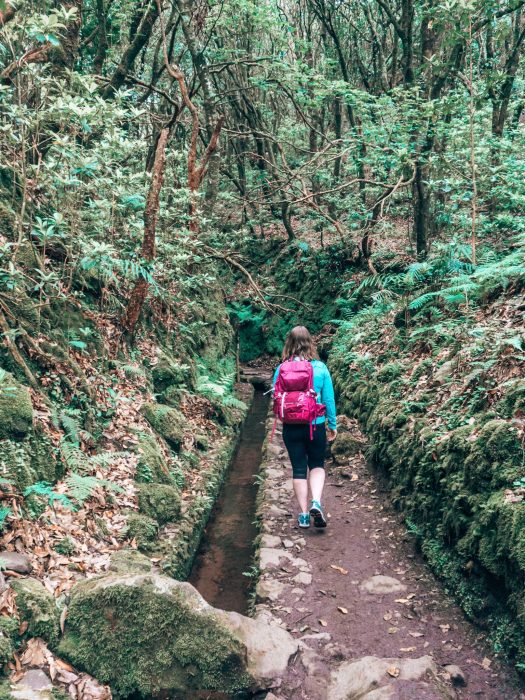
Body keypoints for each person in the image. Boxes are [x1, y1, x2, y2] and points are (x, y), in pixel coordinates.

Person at [272, 326, 337, 529]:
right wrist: (332, 424)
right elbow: (328, 399)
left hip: (291, 427)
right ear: (310, 342)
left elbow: (276, 397)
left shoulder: (282, 368)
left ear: (289, 344)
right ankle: (315, 502)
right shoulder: (320, 368)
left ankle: (302, 514)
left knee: (299, 469)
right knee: (317, 464)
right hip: (315, 425)